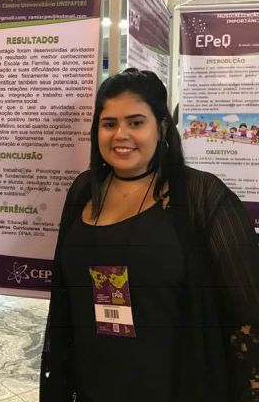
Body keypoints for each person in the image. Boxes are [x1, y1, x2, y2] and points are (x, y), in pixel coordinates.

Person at [40, 68, 259, 402]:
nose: (120, 134)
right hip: (91, 386)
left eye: (136, 122)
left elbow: (249, 311)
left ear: (162, 127)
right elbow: (66, 301)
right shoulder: (84, 190)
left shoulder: (201, 196)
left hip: (176, 388)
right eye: (109, 123)